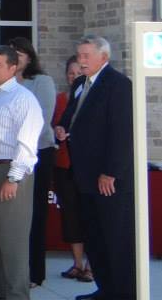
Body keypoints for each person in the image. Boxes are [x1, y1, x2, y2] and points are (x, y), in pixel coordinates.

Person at [56, 36, 135, 300]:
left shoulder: (118, 85)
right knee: (95, 236)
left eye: (87, 55)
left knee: (115, 237)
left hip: (107, 178)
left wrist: (110, 171)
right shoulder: (80, 83)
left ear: (104, 57)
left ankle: (123, 293)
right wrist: (61, 128)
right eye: (79, 55)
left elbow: (122, 132)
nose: (81, 60)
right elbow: (70, 118)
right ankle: (105, 289)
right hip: (83, 176)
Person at [0, 45, 44, 300]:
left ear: (12, 67)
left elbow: (27, 142)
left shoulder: (23, 98)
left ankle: (17, 295)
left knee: (12, 241)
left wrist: (13, 177)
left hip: (9, 171)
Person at [10, 36, 57, 289]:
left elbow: (42, 119)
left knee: (35, 214)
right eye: (12, 52)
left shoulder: (42, 82)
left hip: (37, 154)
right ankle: (15, 269)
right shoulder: (3, 82)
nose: (16, 57)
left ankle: (34, 273)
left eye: (20, 53)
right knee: (15, 216)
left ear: (30, 56)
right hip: (9, 157)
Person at [52, 56, 92, 284]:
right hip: (63, 164)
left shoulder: (93, 99)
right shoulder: (60, 99)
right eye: (70, 73)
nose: (74, 76)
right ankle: (77, 263)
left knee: (89, 216)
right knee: (71, 216)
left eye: (78, 72)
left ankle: (91, 266)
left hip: (86, 168)